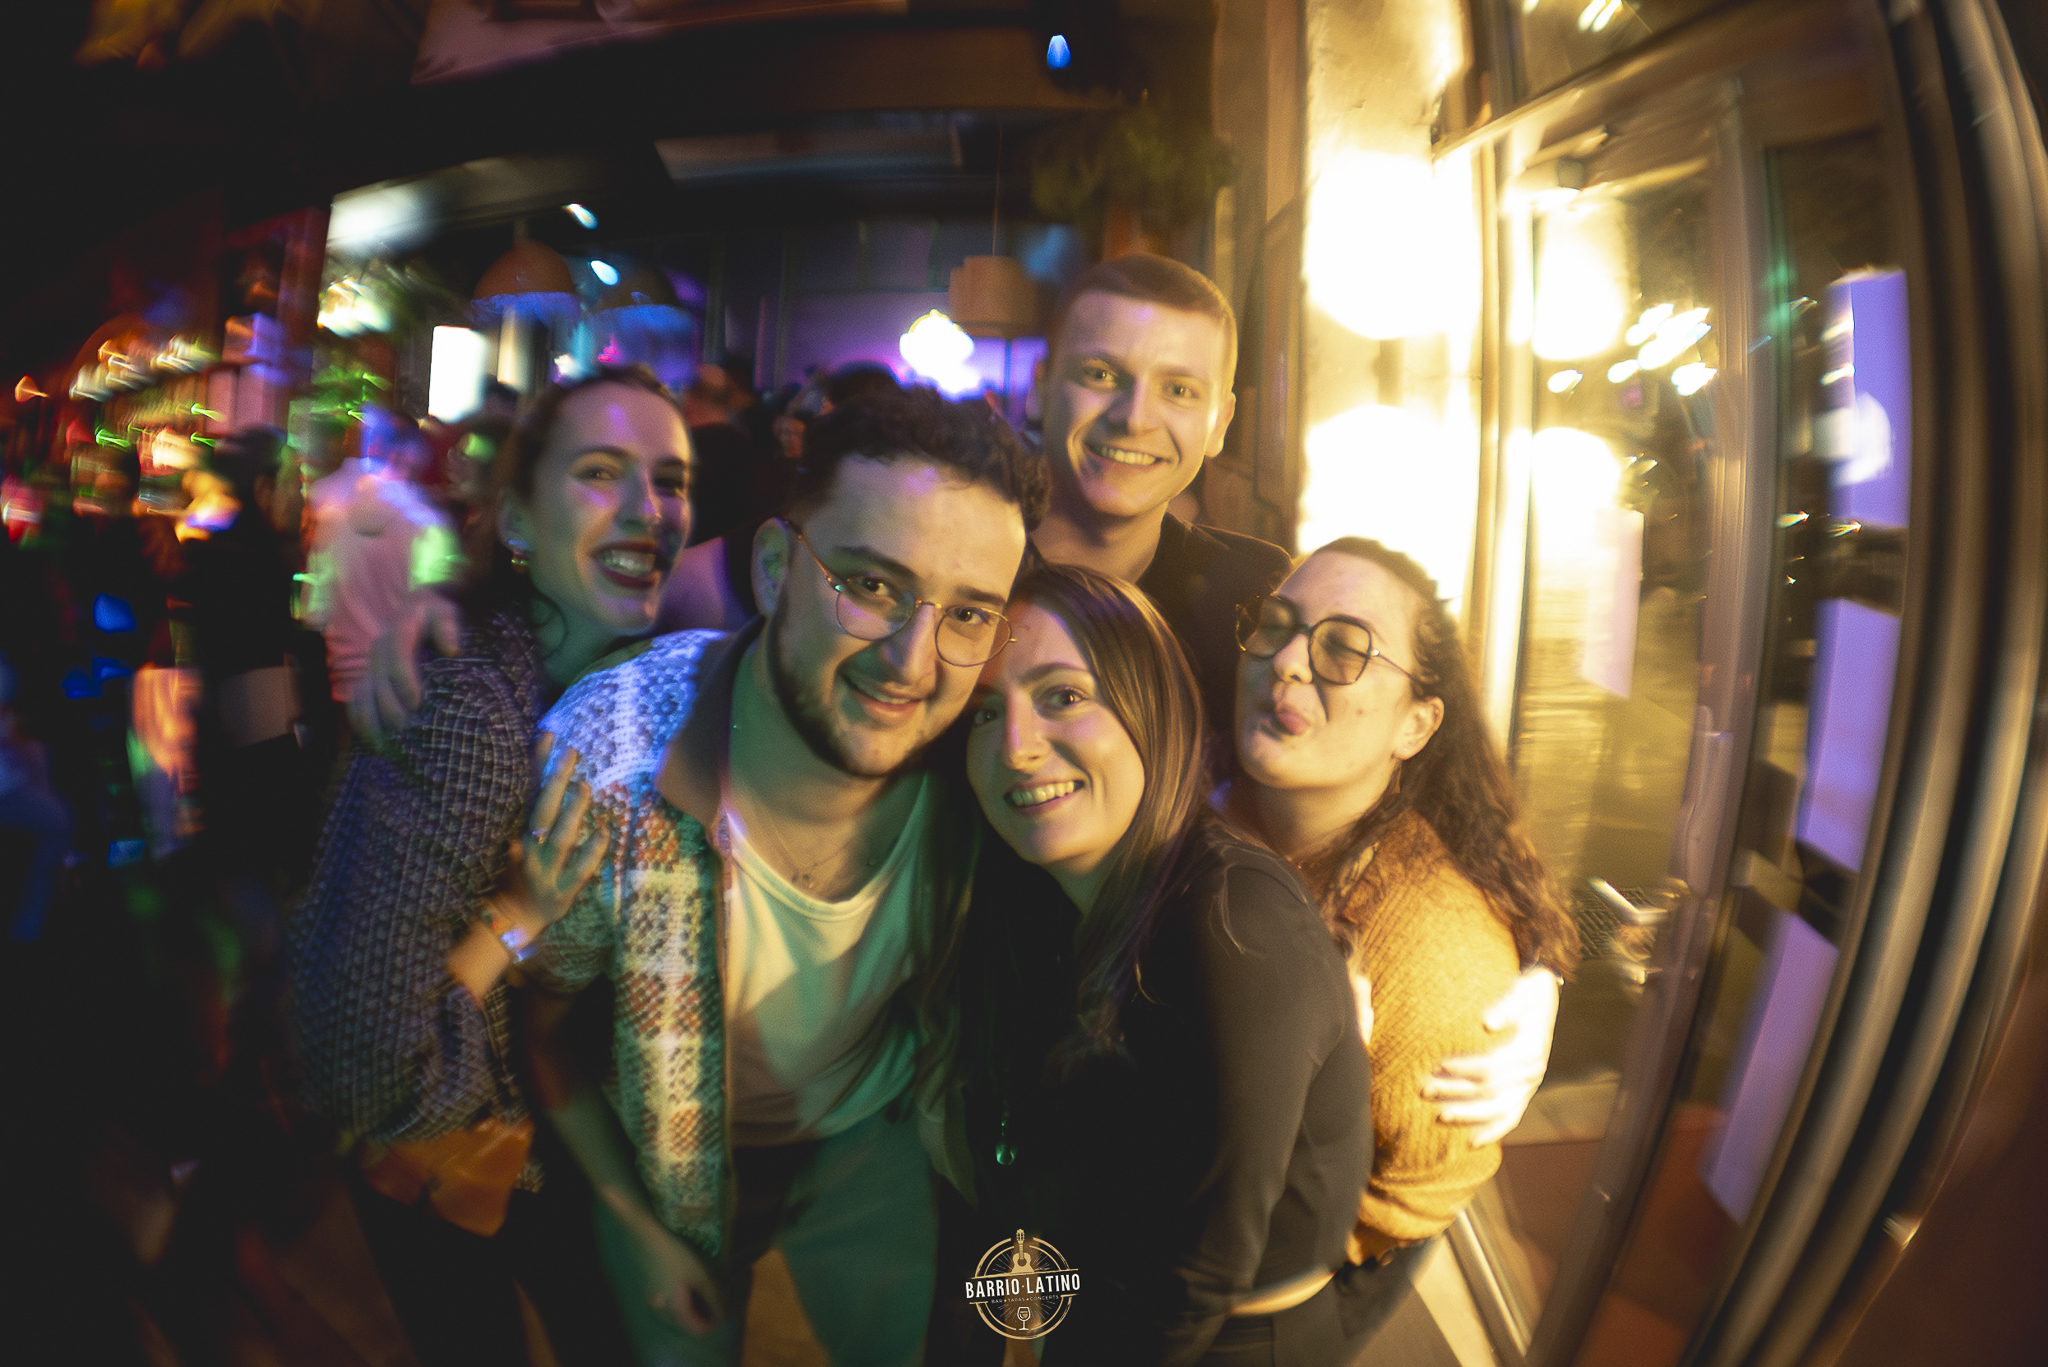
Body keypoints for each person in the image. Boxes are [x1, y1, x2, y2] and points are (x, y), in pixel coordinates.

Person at [519, 387, 1045, 1366]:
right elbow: (541, 1026)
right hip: (661, 1160)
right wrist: (628, 1214)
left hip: (874, 1137)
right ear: (773, 568)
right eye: (872, 585)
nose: (911, 661)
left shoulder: (994, 774)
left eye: (969, 612)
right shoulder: (610, 762)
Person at [287, 367, 690, 1366]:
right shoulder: (473, 709)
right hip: (444, 1144)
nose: (649, 506)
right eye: (601, 472)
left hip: (542, 1124)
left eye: (671, 479)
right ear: (516, 517)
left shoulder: (615, 670)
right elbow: (365, 1065)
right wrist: (516, 917)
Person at [955, 562, 1370, 1363]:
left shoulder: (1232, 920)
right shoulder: (1042, 900)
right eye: (983, 712)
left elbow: (1198, 1273)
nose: (1015, 746)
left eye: (1062, 696)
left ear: (1151, 705)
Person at [1225, 537, 1579, 1338]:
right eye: (1275, 625)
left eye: (1344, 647)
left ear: (1416, 724)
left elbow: (1410, 1198)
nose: (1287, 662)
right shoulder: (1202, 795)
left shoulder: (1433, 957)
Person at [302, 407, 463, 709]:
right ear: (412, 455)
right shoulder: (428, 526)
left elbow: (315, 612)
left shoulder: (332, 517)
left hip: (342, 681)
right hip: (403, 684)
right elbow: (438, 615)